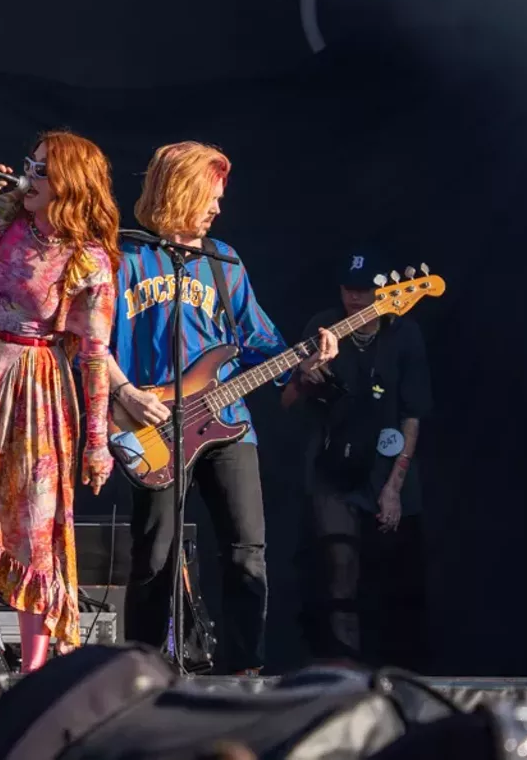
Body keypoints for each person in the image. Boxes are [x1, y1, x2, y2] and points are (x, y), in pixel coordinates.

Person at [107, 141, 337, 674]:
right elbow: (93, 347)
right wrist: (120, 398)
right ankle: (139, 671)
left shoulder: (224, 262)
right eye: (210, 196)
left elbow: (259, 340)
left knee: (245, 549)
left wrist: (304, 360)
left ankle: (244, 669)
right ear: (182, 192)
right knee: (155, 556)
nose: (217, 208)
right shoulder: (124, 257)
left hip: (230, 426)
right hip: (155, 423)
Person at [0, 131, 120, 672]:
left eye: (40, 171)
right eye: (28, 166)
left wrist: (98, 444)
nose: (27, 177)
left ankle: (35, 669)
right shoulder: (6, 216)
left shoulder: (89, 260)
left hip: (38, 384)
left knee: (34, 524)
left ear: (69, 185)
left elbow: (96, 355)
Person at [282, 252, 431, 670]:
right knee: (336, 575)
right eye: (348, 288)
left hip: (387, 470)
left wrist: (394, 489)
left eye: (363, 289)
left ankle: (396, 678)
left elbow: (413, 413)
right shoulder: (322, 326)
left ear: (382, 290)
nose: (354, 297)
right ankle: (342, 677)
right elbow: (287, 401)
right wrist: (307, 376)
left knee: (393, 580)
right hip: (333, 470)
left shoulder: (404, 334)